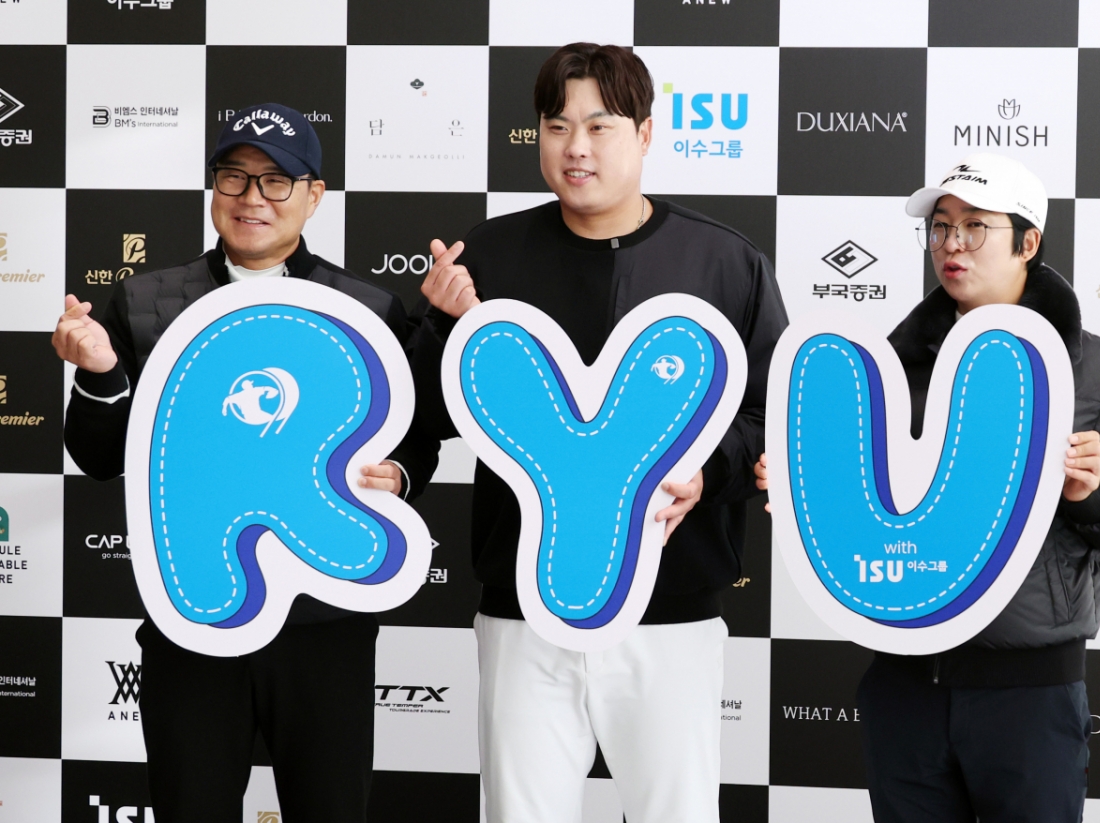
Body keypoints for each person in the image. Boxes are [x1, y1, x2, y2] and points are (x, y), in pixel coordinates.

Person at [410, 43, 787, 823]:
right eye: (557, 126)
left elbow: (772, 415)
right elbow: (426, 415)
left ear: (645, 134)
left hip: (672, 608)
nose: (575, 147)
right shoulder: (489, 256)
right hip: (522, 611)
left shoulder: (724, 261)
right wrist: (441, 324)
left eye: (599, 126)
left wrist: (708, 473)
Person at [756, 152, 1100, 823]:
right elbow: (865, 505)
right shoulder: (891, 365)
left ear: (1028, 243)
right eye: (940, 227)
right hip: (903, 686)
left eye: (975, 226)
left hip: (1030, 694)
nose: (951, 244)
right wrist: (805, 486)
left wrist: (1091, 495)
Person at [53, 103, 437, 823]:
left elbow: (415, 439)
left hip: (327, 623)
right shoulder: (143, 302)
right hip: (193, 618)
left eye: (276, 181)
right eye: (234, 176)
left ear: (314, 196)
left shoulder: (366, 310)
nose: (251, 197)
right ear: (214, 188)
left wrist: (400, 476)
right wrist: (101, 374)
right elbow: (100, 458)